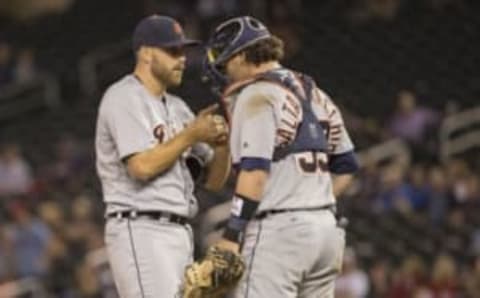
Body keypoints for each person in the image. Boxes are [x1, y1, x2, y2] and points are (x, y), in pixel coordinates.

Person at [202, 16, 359, 297]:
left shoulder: (256, 95)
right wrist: (312, 204)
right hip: (326, 232)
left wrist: (231, 235)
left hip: (280, 235)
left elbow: (255, 173)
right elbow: (346, 168)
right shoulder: (315, 92)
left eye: (225, 62)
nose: (223, 71)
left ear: (240, 56)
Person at [95, 15, 230, 298]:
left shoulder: (179, 108)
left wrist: (222, 143)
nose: (181, 59)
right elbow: (141, 167)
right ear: (145, 53)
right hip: (141, 228)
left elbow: (215, 182)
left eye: (182, 51)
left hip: (180, 231)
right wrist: (192, 135)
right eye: (172, 51)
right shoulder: (124, 97)